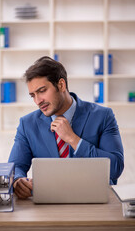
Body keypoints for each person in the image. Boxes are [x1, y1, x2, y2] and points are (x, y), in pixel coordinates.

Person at [8, 56, 124, 199]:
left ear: (61, 85)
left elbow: (115, 169)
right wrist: (18, 181)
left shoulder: (103, 116)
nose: (38, 101)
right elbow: (15, 167)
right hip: (47, 200)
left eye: (42, 91)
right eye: (33, 95)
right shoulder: (27, 124)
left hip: (94, 199)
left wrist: (73, 139)